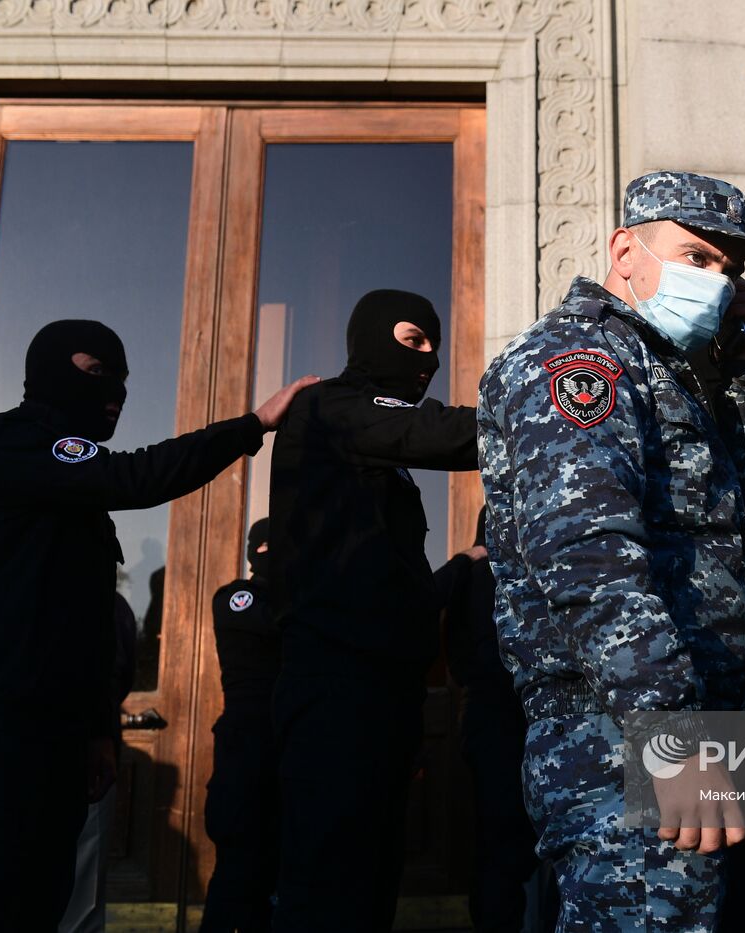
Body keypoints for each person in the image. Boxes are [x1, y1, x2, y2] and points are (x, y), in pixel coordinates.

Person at [0, 319, 314, 933]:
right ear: (50, 369)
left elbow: (81, 624)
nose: (117, 391)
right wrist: (252, 425)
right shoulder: (14, 444)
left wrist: (98, 730)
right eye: (96, 371)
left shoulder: (70, 492)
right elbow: (137, 477)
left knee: (39, 906)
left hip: (52, 746)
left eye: (124, 379)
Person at [477, 170, 745, 930]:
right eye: (696, 257)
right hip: (617, 728)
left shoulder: (670, 374)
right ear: (626, 251)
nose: (717, 283)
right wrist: (670, 730)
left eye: (729, 270)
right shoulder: (580, 361)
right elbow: (587, 554)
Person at [266, 289, 478, 932]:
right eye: (414, 341)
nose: (430, 358)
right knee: (327, 884)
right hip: (335, 689)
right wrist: (565, 402)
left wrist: (460, 569)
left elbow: (392, 578)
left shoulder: (373, 445)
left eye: (434, 345)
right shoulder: (332, 407)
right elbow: (437, 432)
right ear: (374, 339)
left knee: (371, 883)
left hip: (385, 694)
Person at [438, 508, 558, 933]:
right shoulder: (527, 569)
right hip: (516, 714)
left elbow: (455, 651)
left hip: (492, 715)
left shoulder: (474, 574)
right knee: (525, 841)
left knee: (498, 843)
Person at [201, 518, 280, 933]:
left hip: (282, 750)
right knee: (237, 871)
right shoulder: (239, 597)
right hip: (246, 751)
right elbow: (273, 621)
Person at [60, 593, 138, 933]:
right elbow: (115, 674)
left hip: (77, 761)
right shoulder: (104, 604)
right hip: (83, 763)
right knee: (81, 899)